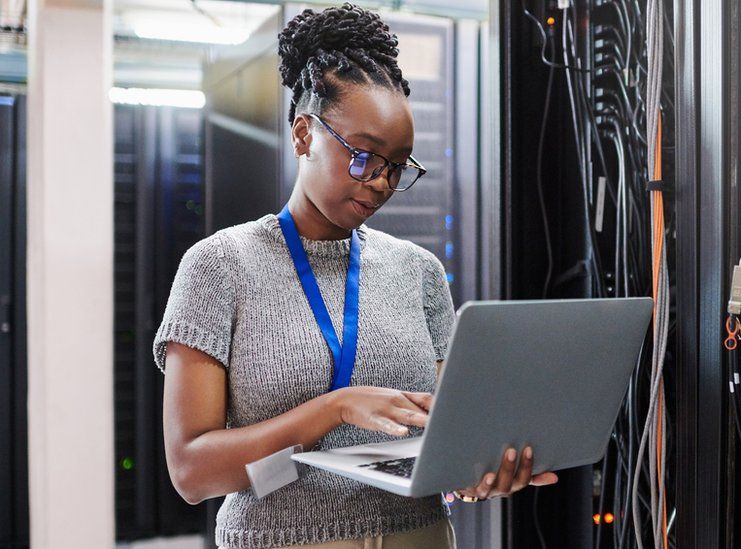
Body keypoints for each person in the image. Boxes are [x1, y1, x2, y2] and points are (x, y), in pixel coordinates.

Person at [153, 4, 557, 548]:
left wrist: (479, 471)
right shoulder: (219, 266)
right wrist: (333, 409)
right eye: (364, 157)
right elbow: (191, 473)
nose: (381, 183)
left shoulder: (418, 273)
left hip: (421, 535)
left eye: (398, 166)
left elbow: (444, 440)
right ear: (304, 135)